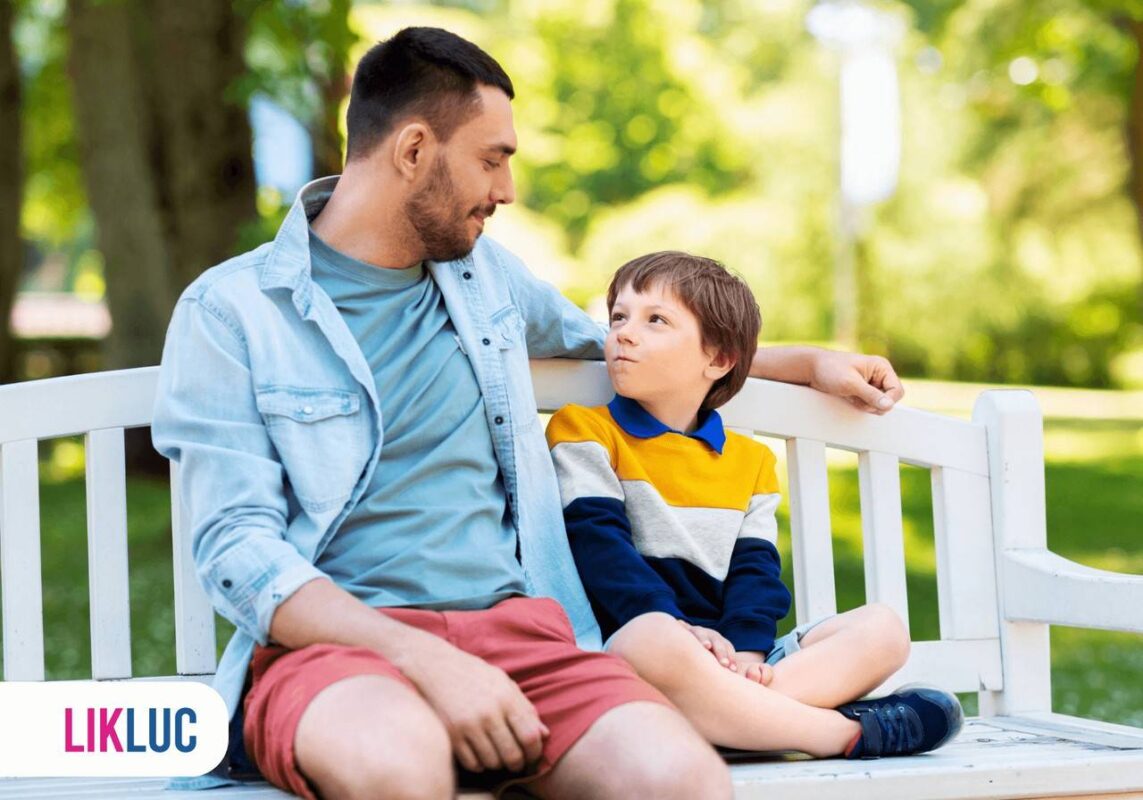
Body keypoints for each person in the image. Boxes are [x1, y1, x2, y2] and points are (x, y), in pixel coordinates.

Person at [152, 26, 906, 799]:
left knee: (681, 780)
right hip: (338, 656)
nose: (507, 190)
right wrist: (423, 657)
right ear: (413, 150)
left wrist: (803, 362)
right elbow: (237, 550)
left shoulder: (484, 278)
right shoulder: (234, 311)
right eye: (492, 159)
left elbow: (610, 347)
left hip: (523, 641)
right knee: (398, 768)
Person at [546, 251, 963, 760]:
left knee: (885, 631)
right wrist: (679, 629)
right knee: (650, 638)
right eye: (619, 317)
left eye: (655, 320)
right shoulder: (583, 430)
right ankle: (838, 732)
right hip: (642, 652)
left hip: (738, 661)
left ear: (719, 360)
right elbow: (599, 548)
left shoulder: (751, 462)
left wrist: (745, 652)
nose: (623, 334)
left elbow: (756, 573)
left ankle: (731, 719)